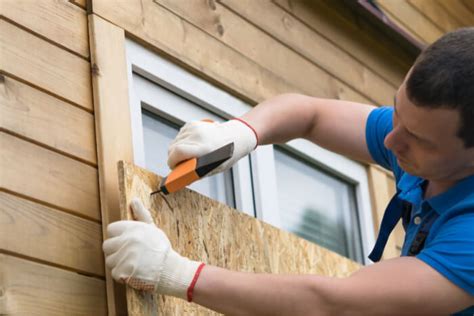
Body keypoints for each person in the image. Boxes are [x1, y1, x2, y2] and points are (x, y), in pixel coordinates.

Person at [103, 28, 474, 315]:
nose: (391, 141)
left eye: (419, 141)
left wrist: (176, 274)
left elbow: (336, 306)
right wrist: (242, 132)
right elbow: (310, 115)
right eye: (396, 111)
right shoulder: (413, 134)